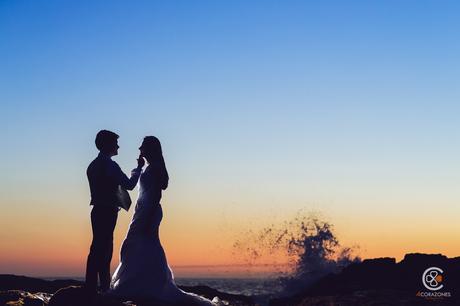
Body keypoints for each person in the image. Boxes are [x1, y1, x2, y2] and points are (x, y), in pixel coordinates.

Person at [109, 136, 216, 305]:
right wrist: (138, 168)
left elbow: (156, 194)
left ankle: (148, 286)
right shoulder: (150, 167)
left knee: (140, 244)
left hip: (148, 212)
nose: (139, 149)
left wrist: (149, 216)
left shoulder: (156, 168)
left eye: (142, 146)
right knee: (137, 246)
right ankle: (143, 284)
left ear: (150, 149)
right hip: (142, 211)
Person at [85, 130, 144, 292]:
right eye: (115, 143)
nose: (118, 146)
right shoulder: (109, 165)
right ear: (108, 145)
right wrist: (138, 168)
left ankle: (91, 285)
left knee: (96, 247)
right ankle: (103, 287)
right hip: (107, 211)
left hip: (97, 210)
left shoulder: (93, 165)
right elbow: (129, 185)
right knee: (105, 249)